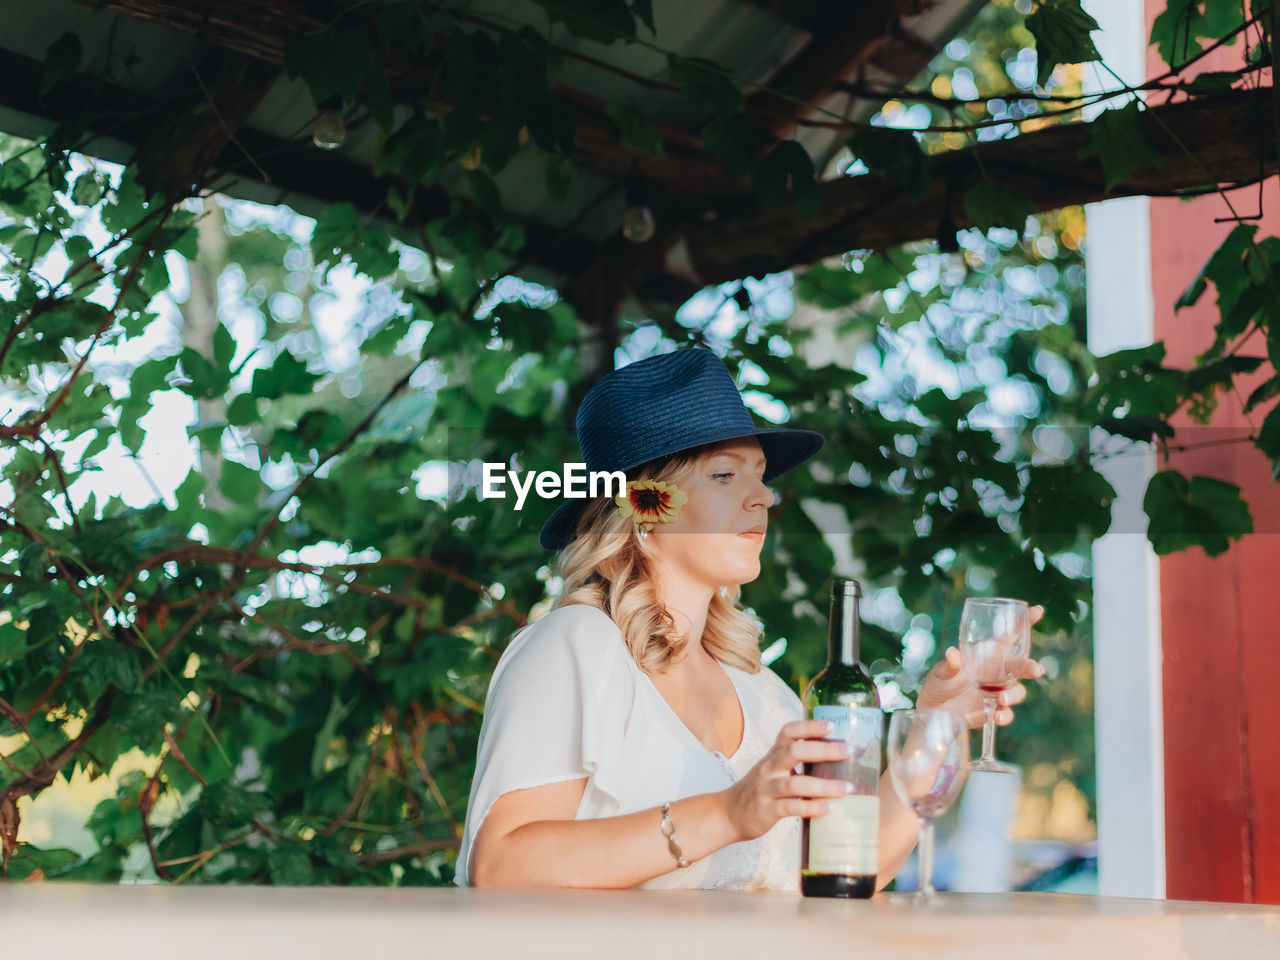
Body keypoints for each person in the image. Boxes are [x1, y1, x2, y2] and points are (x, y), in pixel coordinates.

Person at [454, 348, 1043, 891]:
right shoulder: (572, 648)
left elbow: (857, 866)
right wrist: (728, 812)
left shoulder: (764, 691)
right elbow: (502, 866)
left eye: (759, 474)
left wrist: (936, 725)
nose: (765, 497)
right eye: (724, 474)